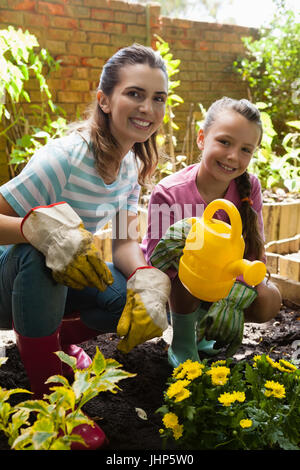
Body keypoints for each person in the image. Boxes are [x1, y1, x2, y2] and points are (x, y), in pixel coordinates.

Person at [0, 44, 171, 449]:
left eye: (158, 98)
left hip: (42, 285)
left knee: (124, 297)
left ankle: (53, 345)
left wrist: (146, 276)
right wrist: (33, 229)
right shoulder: (67, 158)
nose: (147, 107)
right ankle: (53, 409)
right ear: (105, 100)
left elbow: (126, 244)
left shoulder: (128, 164)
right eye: (135, 93)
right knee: (42, 255)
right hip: (7, 284)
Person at [142, 96, 282, 367]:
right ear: (202, 138)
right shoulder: (169, 192)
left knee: (268, 298)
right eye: (225, 142)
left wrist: (233, 297)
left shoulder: (249, 186)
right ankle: (183, 341)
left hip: (223, 283)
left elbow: (255, 253)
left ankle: (206, 330)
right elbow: (156, 260)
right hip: (174, 288)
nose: (233, 156)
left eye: (245, 150)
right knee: (193, 260)